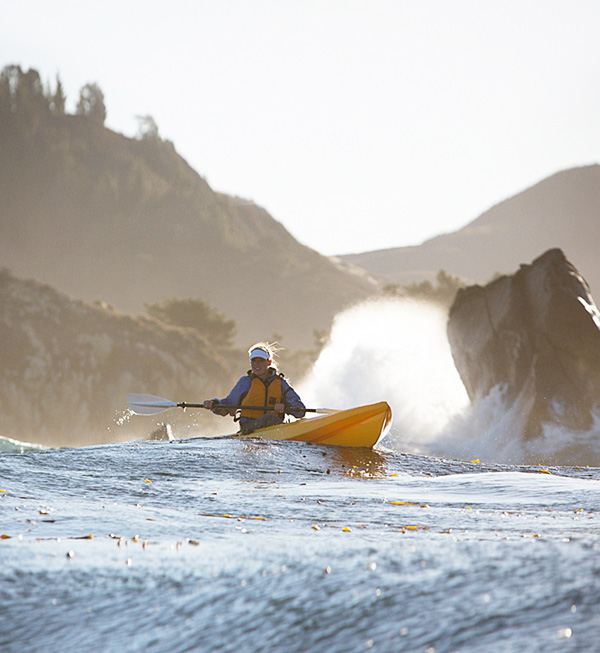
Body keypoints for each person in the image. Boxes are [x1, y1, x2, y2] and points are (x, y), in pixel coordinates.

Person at [203, 342, 306, 435]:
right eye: (254, 361)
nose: (257, 364)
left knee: (272, 419)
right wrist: (214, 404)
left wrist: (286, 406)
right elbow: (228, 405)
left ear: (268, 363)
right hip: (249, 429)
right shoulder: (245, 382)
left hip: (274, 429)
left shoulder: (281, 383)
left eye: (261, 361)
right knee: (270, 418)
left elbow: (300, 410)